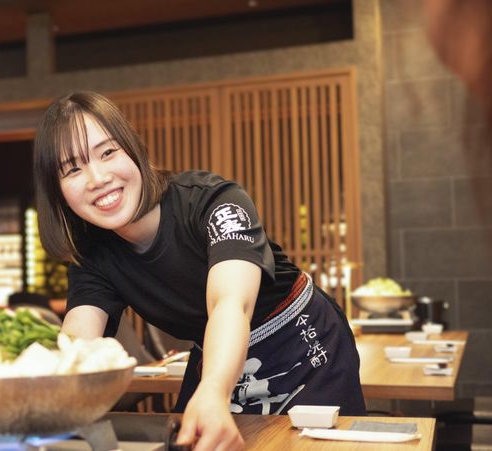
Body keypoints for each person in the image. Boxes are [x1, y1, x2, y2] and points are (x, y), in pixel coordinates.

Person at [33, 91, 365, 450]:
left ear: (133, 148)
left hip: (302, 344)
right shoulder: (93, 254)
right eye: (72, 169)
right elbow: (77, 342)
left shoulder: (212, 201)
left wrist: (213, 390)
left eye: (107, 152)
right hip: (216, 355)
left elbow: (230, 304)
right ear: (57, 192)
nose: (97, 178)